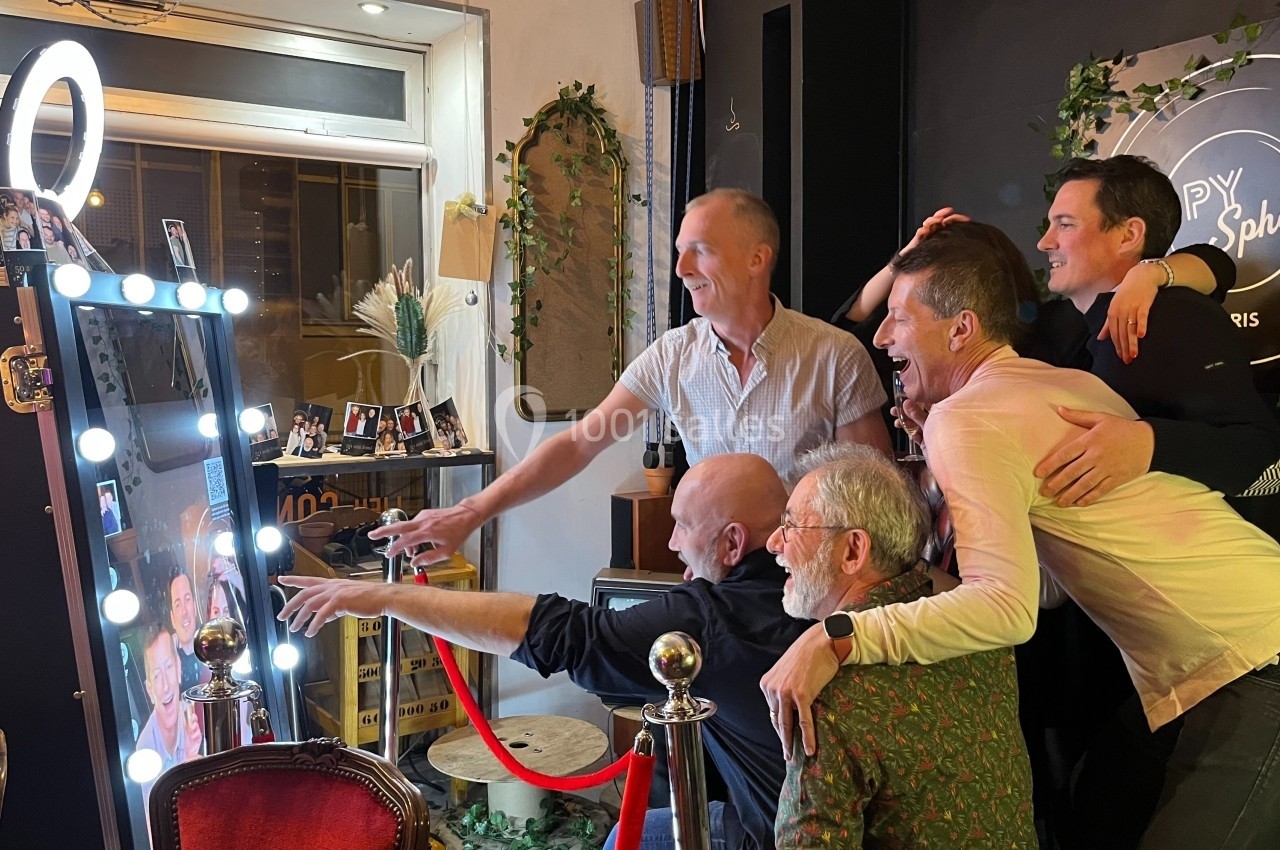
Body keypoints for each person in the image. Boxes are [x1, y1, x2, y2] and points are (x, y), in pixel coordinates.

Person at [761, 233, 1280, 849]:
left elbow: (1008, 610)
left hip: (1255, 655)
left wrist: (839, 635)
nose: (881, 337)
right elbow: (1050, 586)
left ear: (961, 330)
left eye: (899, 318)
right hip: (1216, 661)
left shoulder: (968, 417)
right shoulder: (1052, 385)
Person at [280, 453, 813, 850]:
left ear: (733, 543)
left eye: (683, 526)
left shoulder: (709, 621)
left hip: (772, 836)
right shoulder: (822, 597)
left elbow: (555, 632)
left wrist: (384, 596)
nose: (672, 543)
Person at [374, 188, 890, 567]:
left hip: (809, 586)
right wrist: (471, 511)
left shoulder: (834, 355)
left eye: (701, 250)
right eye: (680, 250)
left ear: (758, 258)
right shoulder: (672, 356)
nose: (681, 267)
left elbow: (872, 497)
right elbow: (579, 443)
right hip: (713, 585)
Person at [770, 443, 1034, 849]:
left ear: (853, 550)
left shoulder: (822, 690)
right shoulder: (982, 632)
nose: (774, 543)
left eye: (791, 527)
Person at [1032, 155, 1280, 535]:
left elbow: (1265, 462)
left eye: (1065, 225)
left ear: (1129, 235)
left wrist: (1149, 443)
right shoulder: (1065, 325)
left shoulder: (1171, 314)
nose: (1044, 241)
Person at [134, 623, 202, 802]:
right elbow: (152, 823)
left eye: (169, 667)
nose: (165, 685)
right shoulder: (144, 749)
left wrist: (192, 756)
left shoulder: (194, 716)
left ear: (179, 669)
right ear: (149, 691)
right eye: (156, 675)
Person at [167, 565, 205, 692]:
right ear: (172, 618)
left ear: (194, 606)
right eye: (178, 605)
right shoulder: (168, 664)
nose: (184, 612)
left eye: (187, 599)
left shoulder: (211, 648)